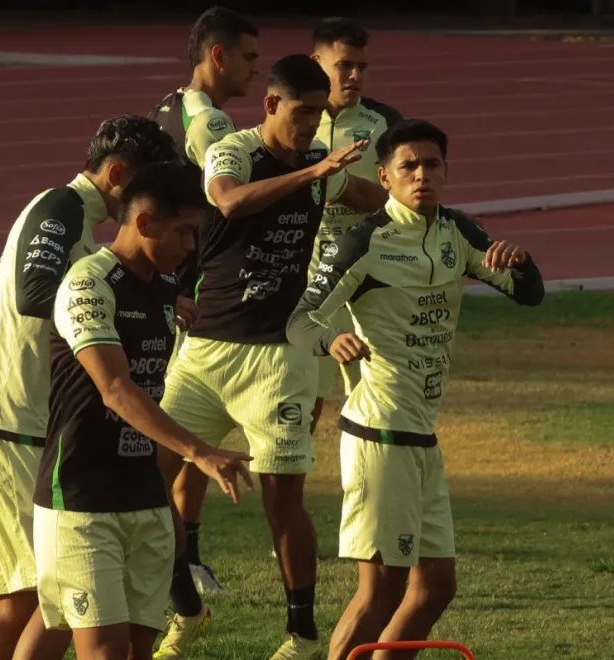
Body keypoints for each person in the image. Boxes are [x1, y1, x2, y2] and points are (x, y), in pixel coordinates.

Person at [154, 54, 388, 660]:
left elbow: (367, 196)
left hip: (280, 358)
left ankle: (302, 636)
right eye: (301, 111)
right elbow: (229, 201)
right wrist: (314, 174)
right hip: (204, 354)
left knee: (282, 500)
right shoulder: (234, 151)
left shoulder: (321, 165)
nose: (311, 123)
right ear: (270, 105)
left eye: (318, 112)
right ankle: (186, 608)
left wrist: (405, 197)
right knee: (147, 484)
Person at [285, 118, 545, 660]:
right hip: (379, 433)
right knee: (381, 589)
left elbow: (527, 294)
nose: (421, 174)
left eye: (432, 164)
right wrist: (332, 339)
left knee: (435, 587)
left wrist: (521, 265)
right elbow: (300, 320)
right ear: (384, 176)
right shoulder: (363, 241)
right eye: (408, 166)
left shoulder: (458, 232)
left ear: (446, 171)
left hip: (422, 435)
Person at [0, 114, 184, 660]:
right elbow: (35, 293)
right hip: (5, 427)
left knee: (49, 596)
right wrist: (110, 304)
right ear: (118, 175)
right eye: (149, 187)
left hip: (21, 427)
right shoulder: (61, 206)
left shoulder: (76, 218)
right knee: (30, 597)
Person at [33, 159, 254, 660]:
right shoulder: (88, 284)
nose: (191, 246)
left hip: (144, 498)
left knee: (137, 649)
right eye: (184, 231)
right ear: (144, 222)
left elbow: (149, 393)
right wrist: (199, 452)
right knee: (104, 652)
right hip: (81, 501)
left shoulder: (162, 289)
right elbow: (115, 388)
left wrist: (161, 500)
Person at [146, 3, 260, 599]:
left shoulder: (168, 107)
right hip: (183, 293)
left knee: (184, 431)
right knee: (177, 431)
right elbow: (229, 203)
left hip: (165, 286)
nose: (255, 69)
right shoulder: (210, 122)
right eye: (248, 56)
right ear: (218, 55)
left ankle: (183, 558)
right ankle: (175, 565)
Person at [308, 19, 402, 433]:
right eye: (344, 65)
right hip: (311, 282)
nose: (354, 76)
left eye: (361, 67)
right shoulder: (293, 118)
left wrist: (345, 188)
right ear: (316, 62)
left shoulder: (384, 121)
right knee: (303, 401)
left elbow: (407, 200)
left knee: (374, 400)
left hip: (369, 278)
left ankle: (373, 472)